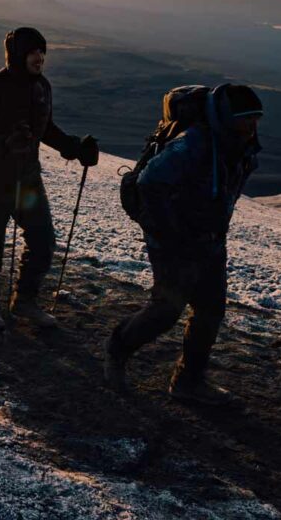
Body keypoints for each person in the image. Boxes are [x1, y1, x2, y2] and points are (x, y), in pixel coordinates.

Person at [105, 84, 263, 407]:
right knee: (167, 309)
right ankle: (118, 348)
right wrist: (169, 233)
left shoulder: (237, 145)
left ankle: (188, 382)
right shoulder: (195, 143)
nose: (253, 126)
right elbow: (149, 182)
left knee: (210, 309)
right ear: (227, 118)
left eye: (256, 119)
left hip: (210, 240)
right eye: (247, 119)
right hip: (175, 241)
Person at [0, 27, 99, 331]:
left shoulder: (41, 87)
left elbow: (45, 128)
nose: (40, 58)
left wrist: (74, 148)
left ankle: (24, 301)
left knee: (42, 239)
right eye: (33, 52)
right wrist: (4, 145)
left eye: (43, 52)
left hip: (27, 178)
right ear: (17, 55)